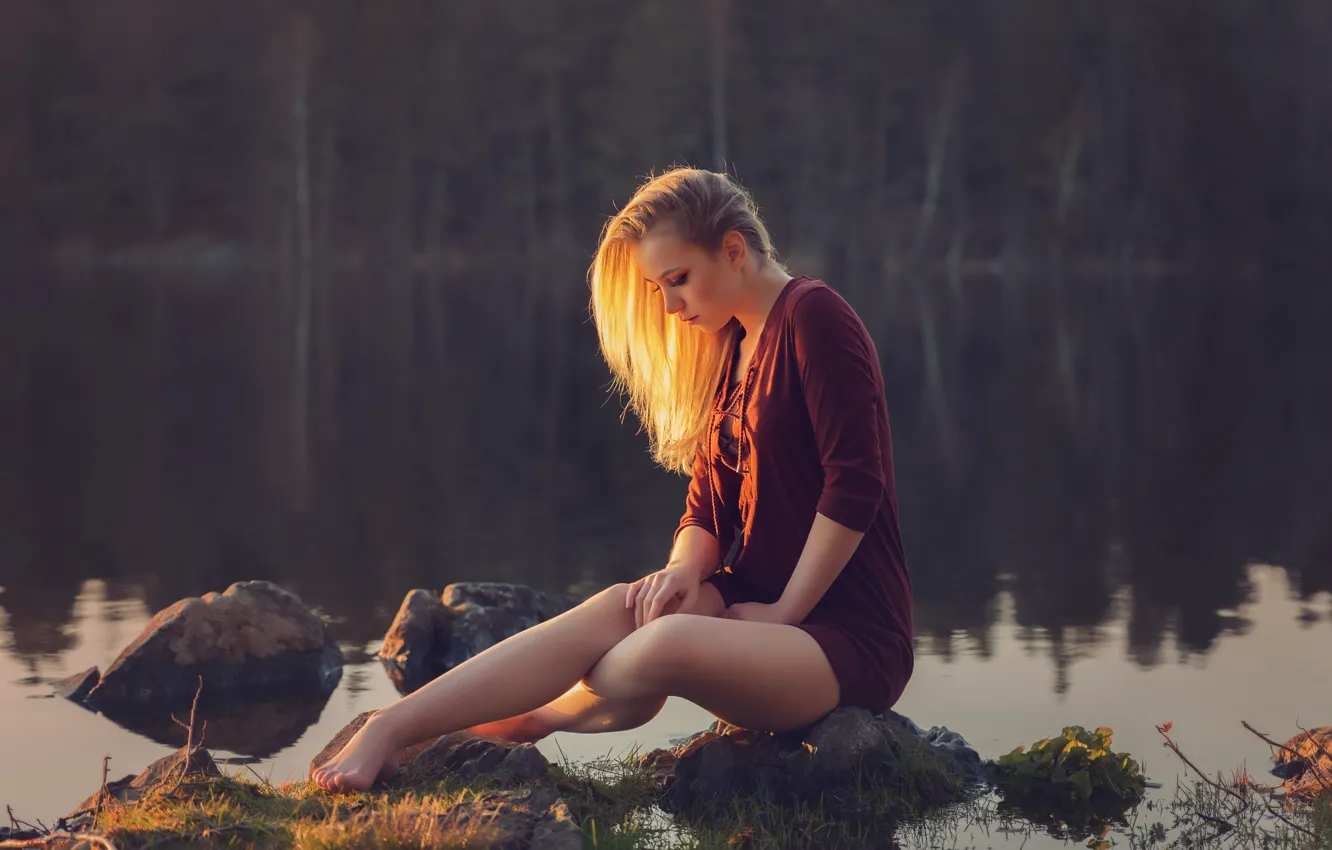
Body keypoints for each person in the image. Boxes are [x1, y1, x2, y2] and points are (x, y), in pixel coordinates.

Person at [311, 167, 914, 793]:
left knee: (664, 641)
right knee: (624, 605)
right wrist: (683, 571)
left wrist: (785, 612)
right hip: (752, 612)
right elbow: (705, 511)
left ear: (733, 249)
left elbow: (855, 487)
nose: (670, 305)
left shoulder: (815, 316)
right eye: (658, 288)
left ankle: (525, 718)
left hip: (846, 638)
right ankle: (393, 725)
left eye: (677, 279)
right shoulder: (730, 347)